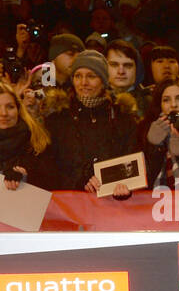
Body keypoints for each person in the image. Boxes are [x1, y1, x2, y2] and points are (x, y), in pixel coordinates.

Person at [43, 50, 137, 192]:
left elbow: (131, 159)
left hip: (112, 202)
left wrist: (118, 185)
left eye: (91, 76)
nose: (83, 83)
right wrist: (79, 181)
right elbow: (49, 166)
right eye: (78, 76)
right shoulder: (58, 118)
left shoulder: (122, 117)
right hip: (69, 204)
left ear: (103, 81)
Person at [0, 81, 50, 190]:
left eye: (10, 107)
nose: (3, 113)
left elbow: (49, 187)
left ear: (18, 110)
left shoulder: (36, 144)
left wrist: (25, 181)